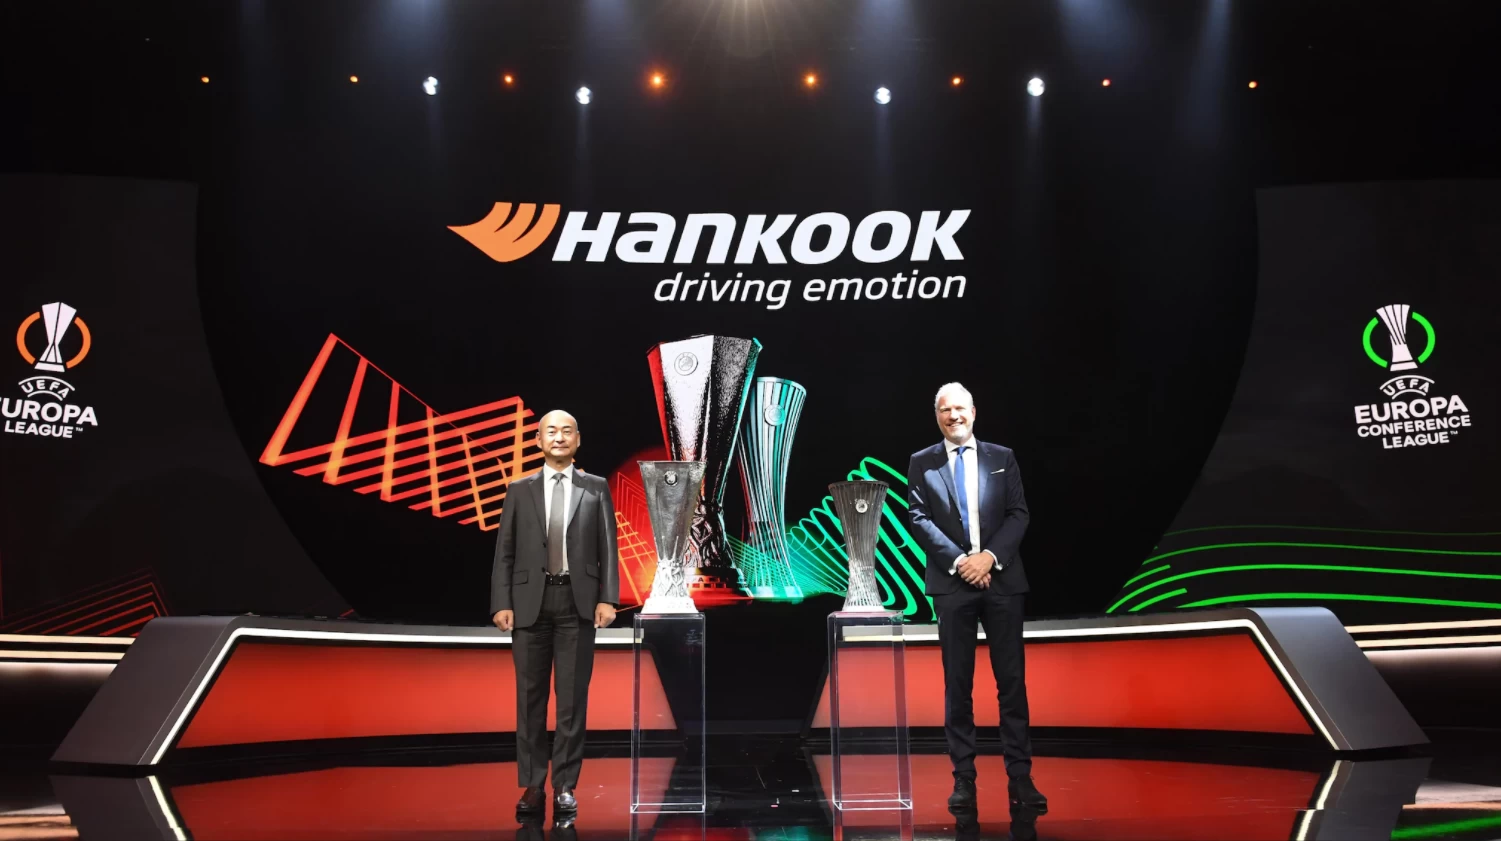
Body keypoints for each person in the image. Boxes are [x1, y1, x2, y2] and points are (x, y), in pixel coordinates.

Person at [906, 383, 1047, 812]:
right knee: (957, 685)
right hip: (952, 585)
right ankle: (963, 778)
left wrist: (988, 558)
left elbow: (1018, 513)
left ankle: (1020, 776)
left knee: (1012, 683)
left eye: (959, 408)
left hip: (1003, 582)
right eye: (945, 410)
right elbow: (918, 518)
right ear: (937, 416)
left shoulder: (1002, 457)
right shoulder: (922, 462)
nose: (953, 416)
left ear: (973, 411)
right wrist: (960, 562)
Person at [492, 409, 620, 817]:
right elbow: (504, 552)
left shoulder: (595, 487)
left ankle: (565, 785)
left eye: (567, 431)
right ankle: (532, 785)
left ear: (577, 440)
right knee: (529, 700)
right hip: (529, 604)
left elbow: (608, 546)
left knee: (572, 700)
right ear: (538, 440)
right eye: (551, 431)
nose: (559, 437)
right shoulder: (519, 489)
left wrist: (608, 598)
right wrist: (501, 602)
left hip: (577, 604)